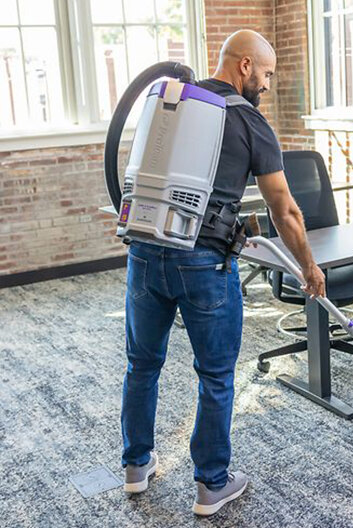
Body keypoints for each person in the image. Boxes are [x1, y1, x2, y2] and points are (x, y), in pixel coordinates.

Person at [120, 29, 326, 516]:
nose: (269, 85)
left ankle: (135, 467)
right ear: (246, 67)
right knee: (215, 375)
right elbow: (285, 210)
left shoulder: (169, 104)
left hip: (144, 254)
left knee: (141, 364)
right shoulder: (249, 121)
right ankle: (211, 484)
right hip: (204, 264)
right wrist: (309, 266)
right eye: (268, 73)